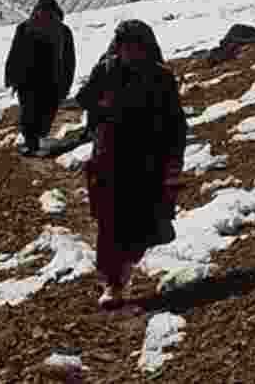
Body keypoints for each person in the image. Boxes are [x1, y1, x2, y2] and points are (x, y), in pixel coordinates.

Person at [83, 19, 187, 308]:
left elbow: (175, 124)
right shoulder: (106, 71)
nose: (128, 51)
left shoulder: (161, 78)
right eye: (124, 45)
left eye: (134, 46)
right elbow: (85, 98)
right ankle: (113, 283)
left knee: (140, 223)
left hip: (147, 162)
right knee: (109, 223)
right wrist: (102, 105)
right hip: (109, 159)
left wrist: (173, 162)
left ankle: (124, 270)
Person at [4, 0, 76, 155]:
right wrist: (66, 84)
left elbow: (15, 54)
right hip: (51, 80)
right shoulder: (63, 31)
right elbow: (69, 61)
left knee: (29, 112)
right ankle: (36, 141)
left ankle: (32, 143)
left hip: (28, 80)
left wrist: (10, 76)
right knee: (45, 112)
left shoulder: (25, 27)